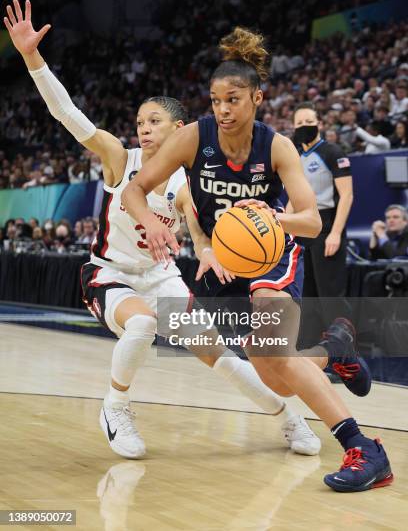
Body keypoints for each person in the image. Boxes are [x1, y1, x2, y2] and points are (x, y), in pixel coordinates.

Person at [4, 0, 321, 459]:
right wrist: (33, 58)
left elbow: (198, 223)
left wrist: (208, 250)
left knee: (223, 358)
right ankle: (115, 407)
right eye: (139, 122)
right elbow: (68, 115)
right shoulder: (120, 159)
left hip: (162, 278)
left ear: (179, 129)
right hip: (110, 273)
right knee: (143, 326)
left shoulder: (188, 175)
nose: (143, 130)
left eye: (154, 121)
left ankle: (288, 419)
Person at [122, 26, 393, 492]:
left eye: (233, 99)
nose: (223, 110)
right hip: (225, 261)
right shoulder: (193, 138)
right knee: (279, 375)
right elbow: (134, 189)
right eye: (215, 100)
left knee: (272, 354)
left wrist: (272, 217)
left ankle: (364, 449)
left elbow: (310, 221)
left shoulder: (277, 146)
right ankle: (335, 352)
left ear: (258, 98)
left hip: (271, 258)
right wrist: (147, 219)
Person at [291, 102, 355, 346]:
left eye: (309, 122)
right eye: (299, 123)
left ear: (319, 124)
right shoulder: (295, 156)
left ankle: (342, 360)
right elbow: (292, 200)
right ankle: (308, 356)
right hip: (303, 229)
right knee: (307, 297)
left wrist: (336, 233)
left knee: (330, 298)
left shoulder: (333, 152)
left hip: (327, 227)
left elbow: (347, 196)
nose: (304, 127)